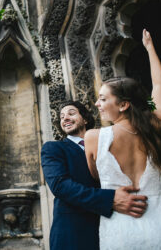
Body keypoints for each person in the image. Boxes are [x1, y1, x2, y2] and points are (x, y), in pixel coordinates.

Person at [85, 29, 161, 249]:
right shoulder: (156, 127)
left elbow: (95, 174)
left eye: (103, 99)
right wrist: (150, 48)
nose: (97, 104)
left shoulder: (94, 137)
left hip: (120, 233)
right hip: (160, 229)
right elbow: (158, 88)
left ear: (123, 105)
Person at [41, 100, 147, 250]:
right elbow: (60, 186)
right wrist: (110, 199)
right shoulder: (54, 148)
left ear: (85, 119)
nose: (65, 118)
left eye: (71, 113)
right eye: (62, 116)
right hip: (74, 233)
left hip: (115, 228)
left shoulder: (107, 144)